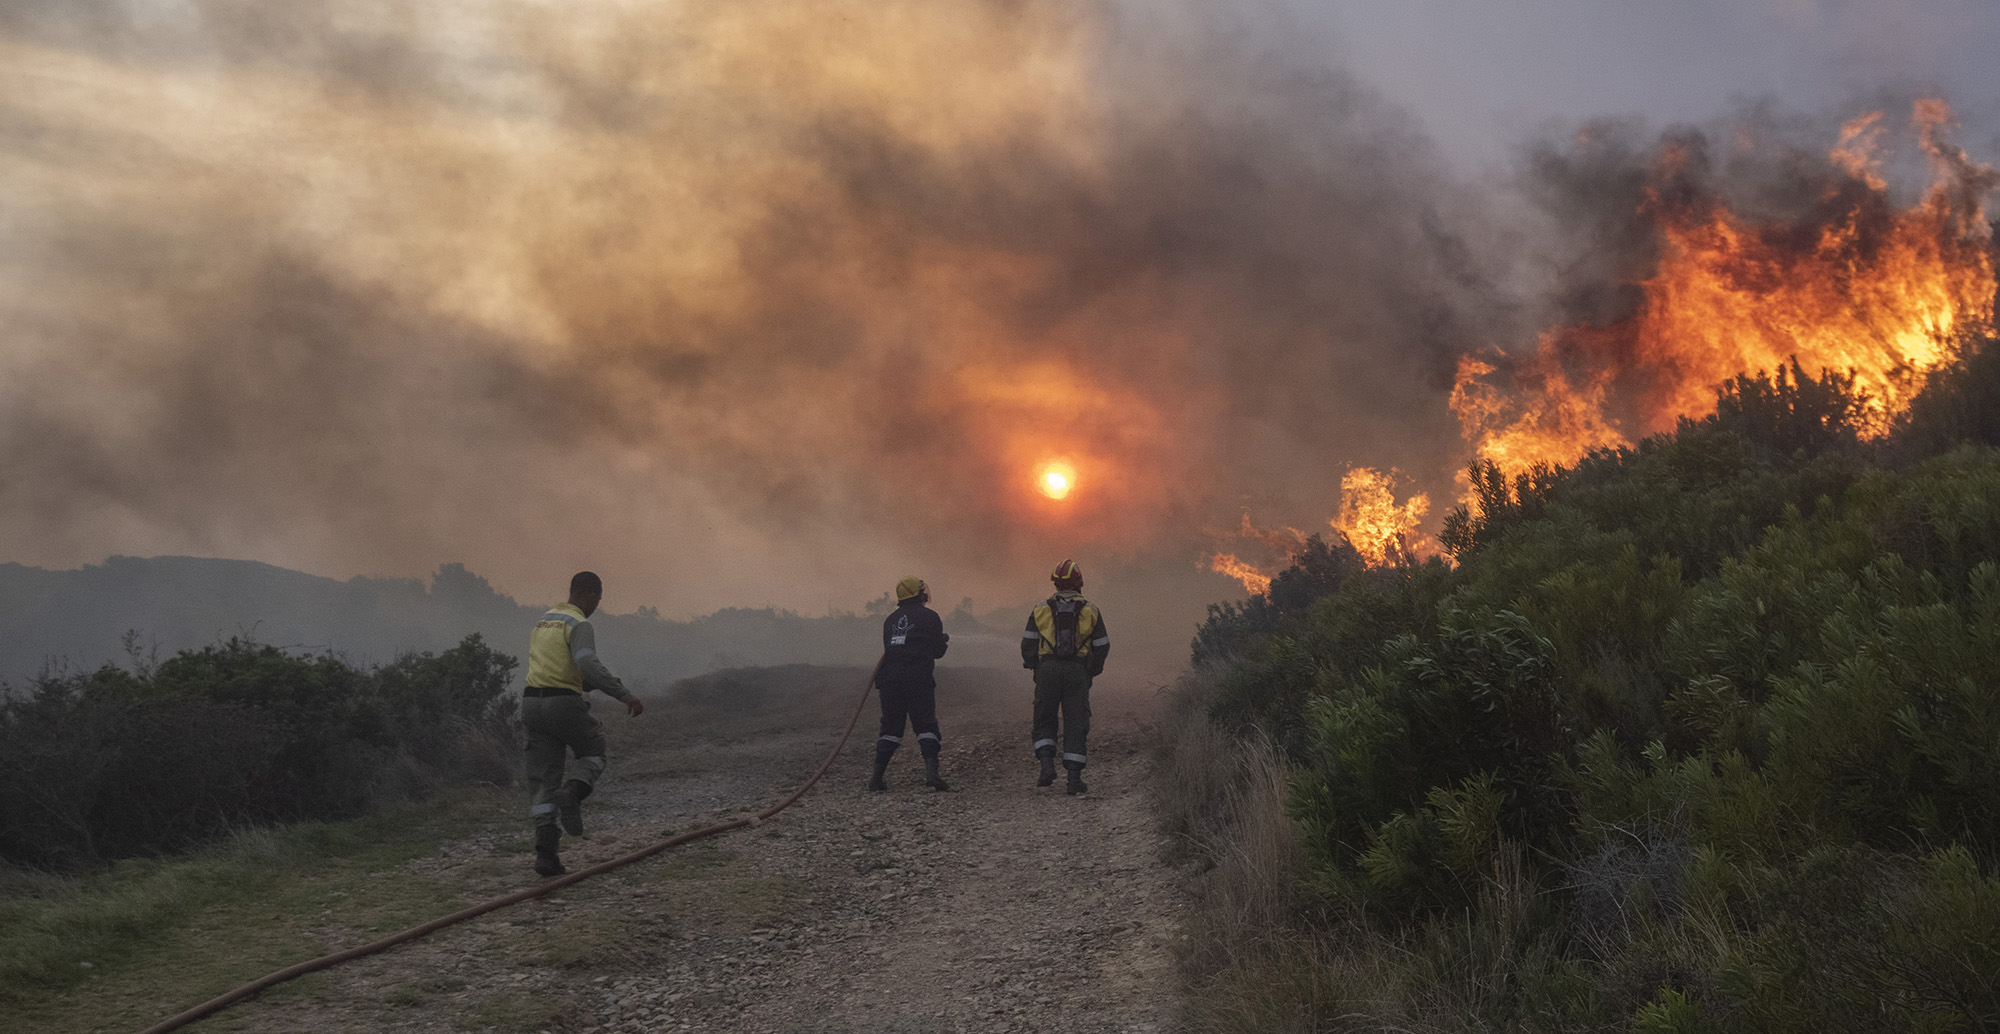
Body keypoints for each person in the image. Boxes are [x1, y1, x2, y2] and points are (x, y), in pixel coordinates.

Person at [523, 570, 644, 876]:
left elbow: (561, 666)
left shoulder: (544, 621)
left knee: (543, 780)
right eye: (598, 600)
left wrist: (585, 683)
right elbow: (586, 662)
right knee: (594, 752)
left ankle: (546, 855)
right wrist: (624, 694)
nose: (597, 607)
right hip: (562, 704)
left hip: (530, 704)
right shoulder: (580, 623)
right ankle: (574, 791)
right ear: (590, 595)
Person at [1021, 559, 1109, 795]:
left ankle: (1047, 765)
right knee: (1076, 721)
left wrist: (1035, 667)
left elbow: (1027, 644)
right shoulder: (1091, 610)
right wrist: (1092, 669)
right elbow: (1102, 645)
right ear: (1079, 582)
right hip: (1077, 671)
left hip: (1047, 670)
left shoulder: (1040, 609)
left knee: (1044, 717)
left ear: (1056, 584)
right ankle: (1073, 780)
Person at [872, 576, 952, 792]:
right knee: (925, 725)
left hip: (890, 681)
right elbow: (937, 652)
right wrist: (942, 642)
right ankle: (932, 774)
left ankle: (876, 779)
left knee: (890, 727)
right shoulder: (930, 617)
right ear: (919, 594)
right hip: (918, 680)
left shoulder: (890, 620)